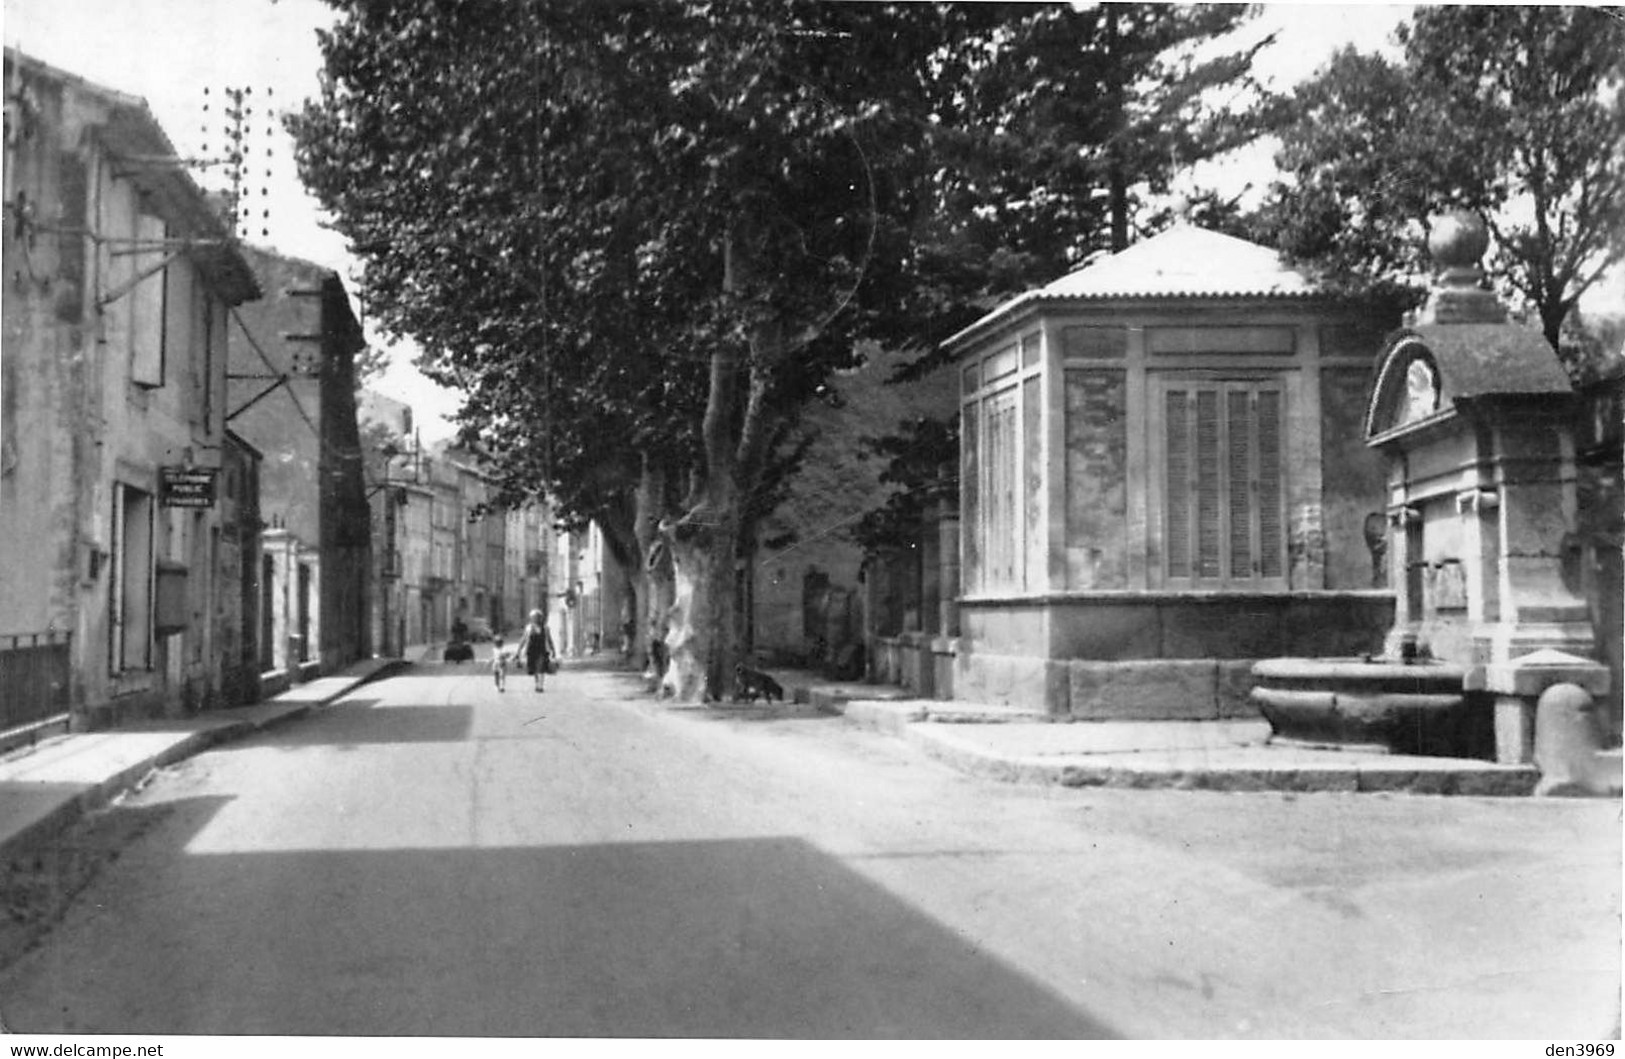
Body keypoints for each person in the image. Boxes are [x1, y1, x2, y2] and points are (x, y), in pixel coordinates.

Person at [516, 609, 555, 692]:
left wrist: (553, 650)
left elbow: (549, 639)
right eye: (534, 617)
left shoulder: (545, 628)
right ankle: (537, 683)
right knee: (534, 669)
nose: (536, 619)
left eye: (537, 617)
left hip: (542, 650)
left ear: (540, 618)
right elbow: (523, 639)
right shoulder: (529, 628)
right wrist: (518, 650)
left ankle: (540, 686)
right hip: (531, 650)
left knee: (541, 667)